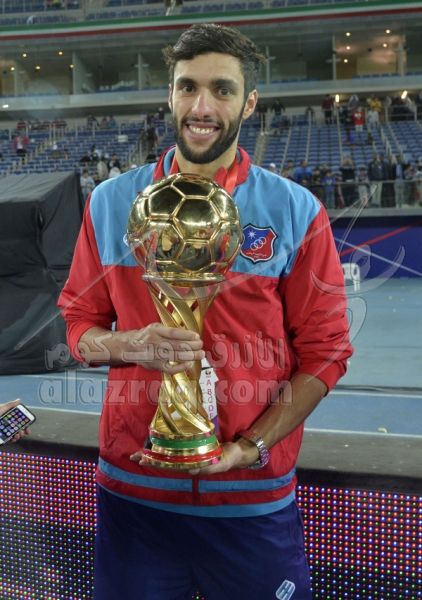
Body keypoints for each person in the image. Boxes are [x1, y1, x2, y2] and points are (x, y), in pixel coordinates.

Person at [58, 23, 352, 600]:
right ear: (169, 95)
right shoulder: (110, 203)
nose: (201, 107)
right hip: (135, 499)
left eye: (222, 89)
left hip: (251, 501)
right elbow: (77, 325)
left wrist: (251, 448)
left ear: (250, 102)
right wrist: (126, 345)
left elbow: (327, 351)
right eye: (188, 87)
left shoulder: (294, 211)